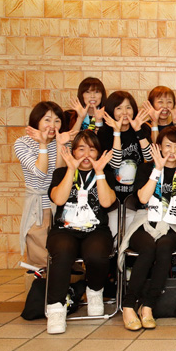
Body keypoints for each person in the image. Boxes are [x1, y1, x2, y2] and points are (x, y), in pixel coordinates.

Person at [118, 127, 176, 331]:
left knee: (163, 248)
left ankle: (148, 306)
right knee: (147, 248)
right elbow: (143, 198)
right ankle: (128, 305)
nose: (172, 151)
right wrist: (157, 169)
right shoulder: (146, 169)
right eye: (168, 145)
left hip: (171, 225)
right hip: (145, 221)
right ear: (159, 147)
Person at [44, 131, 117, 334]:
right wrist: (71, 169)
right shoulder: (61, 173)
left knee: (97, 253)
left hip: (96, 229)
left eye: (92, 149)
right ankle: (56, 308)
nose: (86, 154)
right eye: (81, 149)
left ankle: (94, 291)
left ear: (98, 153)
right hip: (64, 229)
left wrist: (99, 172)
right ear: (73, 152)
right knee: (63, 252)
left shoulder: (106, 174)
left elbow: (106, 203)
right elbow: (59, 199)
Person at [14, 101, 73, 270]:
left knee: (63, 255)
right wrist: (42, 144)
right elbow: (40, 172)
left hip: (61, 204)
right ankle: (41, 285)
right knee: (41, 258)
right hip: (39, 206)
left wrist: (60, 144)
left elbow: (58, 174)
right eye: (47, 120)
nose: (52, 125)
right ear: (37, 120)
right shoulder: (23, 143)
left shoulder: (63, 141)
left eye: (57, 121)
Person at [98, 91, 153, 201]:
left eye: (128, 107)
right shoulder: (104, 132)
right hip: (112, 192)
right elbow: (115, 164)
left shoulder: (143, 128)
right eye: (119, 108)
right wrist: (116, 132)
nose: (124, 112)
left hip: (136, 192)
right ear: (111, 110)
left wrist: (138, 130)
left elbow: (150, 157)